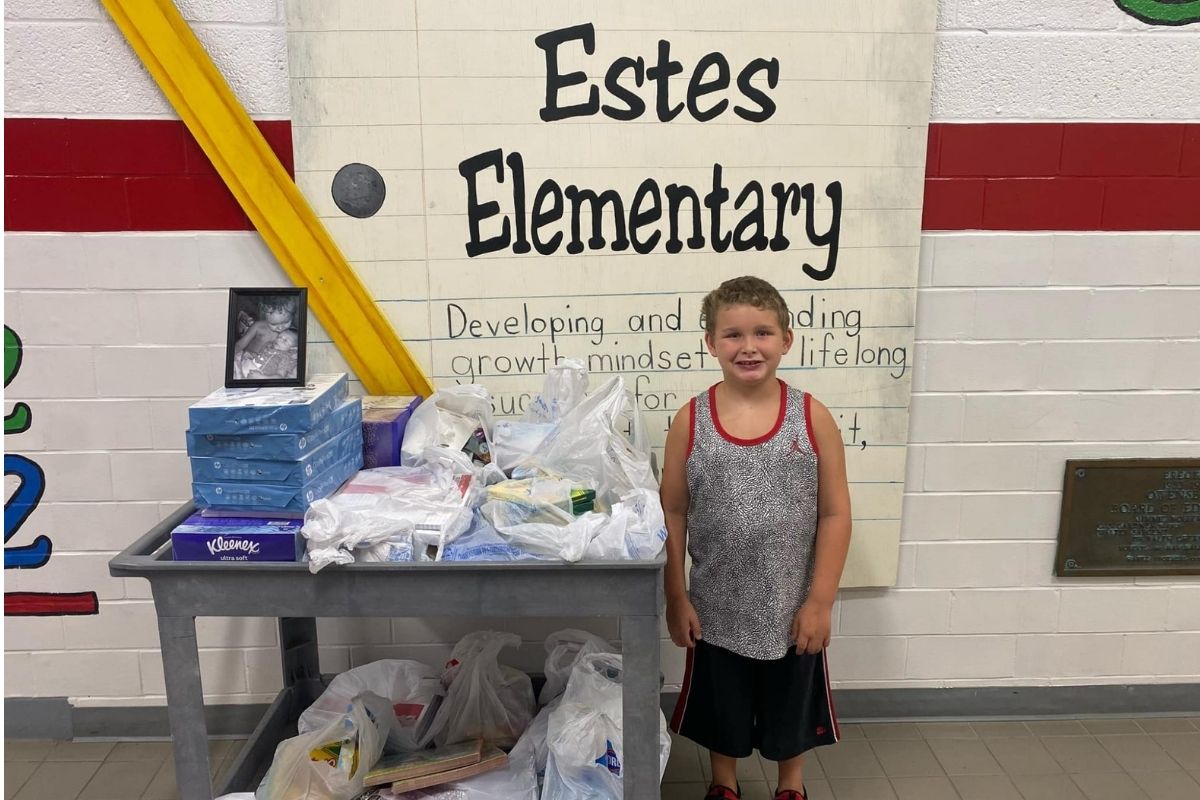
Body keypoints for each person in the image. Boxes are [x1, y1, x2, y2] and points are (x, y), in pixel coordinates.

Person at [660, 275, 852, 800]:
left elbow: (835, 515)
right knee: (724, 709)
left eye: (763, 333)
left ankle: (790, 787)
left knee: (790, 706)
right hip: (716, 607)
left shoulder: (812, 417)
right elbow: (672, 512)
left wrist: (820, 600)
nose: (748, 347)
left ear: (787, 339)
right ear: (711, 344)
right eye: (733, 335)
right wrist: (676, 596)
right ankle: (725, 784)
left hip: (791, 609)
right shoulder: (690, 421)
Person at [233, 298, 295, 380]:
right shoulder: (259, 326)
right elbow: (240, 344)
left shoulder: (291, 334)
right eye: (273, 324)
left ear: (292, 317)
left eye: (286, 322)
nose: (280, 327)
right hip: (249, 359)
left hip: (268, 370)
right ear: (265, 317)